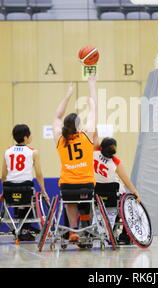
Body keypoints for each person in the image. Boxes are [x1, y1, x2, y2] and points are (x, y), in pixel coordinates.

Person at [54, 75, 97, 243]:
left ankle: (73, 229)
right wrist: (91, 85)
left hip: (67, 184)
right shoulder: (87, 135)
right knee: (86, 198)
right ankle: (86, 224)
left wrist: (69, 93)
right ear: (79, 126)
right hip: (86, 183)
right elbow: (94, 109)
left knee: (70, 201)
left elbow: (57, 116)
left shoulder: (59, 138)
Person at [1, 124, 49, 241]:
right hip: (26, 188)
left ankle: (21, 228)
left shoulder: (7, 151)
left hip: (10, 188)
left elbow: (3, 175)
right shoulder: (33, 152)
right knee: (29, 197)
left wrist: (5, 190)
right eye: (30, 135)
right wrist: (43, 191)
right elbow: (38, 174)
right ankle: (25, 229)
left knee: (17, 196)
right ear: (26, 137)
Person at [93, 137, 141, 244]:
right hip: (113, 195)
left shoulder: (94, 153)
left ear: (101, 147)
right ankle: (125, 235)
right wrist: (135, 192)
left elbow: (94, 138)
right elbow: (126, 180)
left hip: (97, 195)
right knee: (128, 205)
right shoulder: (115, 162)